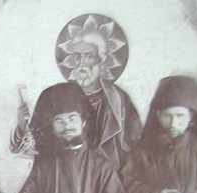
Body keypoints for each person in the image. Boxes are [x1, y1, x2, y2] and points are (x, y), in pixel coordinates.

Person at [57, 18, 141, 170]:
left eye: (88, 56)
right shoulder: (61, 98)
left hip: (111, 177)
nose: (81, 64)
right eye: (77, 57)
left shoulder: (119, 100)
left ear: (102, 60)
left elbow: (135, 148)